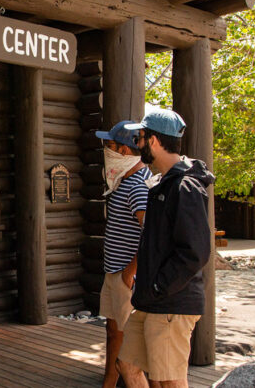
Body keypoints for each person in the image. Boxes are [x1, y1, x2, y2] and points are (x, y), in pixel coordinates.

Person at [115, 109, 214, 388]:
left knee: (169, 380)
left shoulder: (186, 186)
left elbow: (195, 252)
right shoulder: (161, 183)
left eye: (141, 137)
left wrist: (159, 287)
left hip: (171, 302)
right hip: (150, 300)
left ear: (155, 141)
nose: (138, 143)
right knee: (127, 365)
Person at [94, 120, 151, 388]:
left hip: (126, 276)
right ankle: (109, 381)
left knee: (130, 338)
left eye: (110, 146)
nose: (106, 150)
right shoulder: (122, 182)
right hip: (114, 272)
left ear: (125, 151)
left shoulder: (139, 186)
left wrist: (131, 270)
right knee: (113, 331)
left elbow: (150, 233)